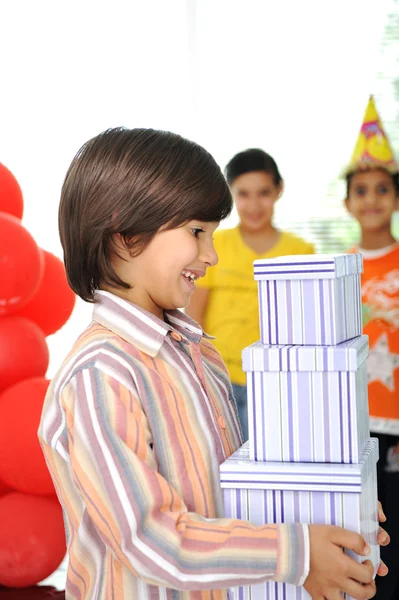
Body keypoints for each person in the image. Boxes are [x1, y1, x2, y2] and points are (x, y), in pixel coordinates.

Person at [38, 127, 386, 600]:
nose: (212, 256)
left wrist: (336, 508)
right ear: (125, 234)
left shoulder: (199, 352)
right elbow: (148, 539)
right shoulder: (101, 374)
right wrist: (297, 554)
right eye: (197, 232)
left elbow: (231, 494)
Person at [186, 149, 315, 439]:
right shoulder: (213, 244)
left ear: (279, 190)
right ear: (230, 193)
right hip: (223, 379)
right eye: (243, 194)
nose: (254, 204)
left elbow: (307, 322)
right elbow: (195, 313)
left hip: (280, 380)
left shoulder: (301, 251)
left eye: (264, 192)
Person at [344, 95, 399, 600]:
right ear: (347, 203)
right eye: (361, 190)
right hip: (357, 425)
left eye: (383, 189)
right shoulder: (341, 269)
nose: (372, 199)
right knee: (365, 540)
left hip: (398, 420)